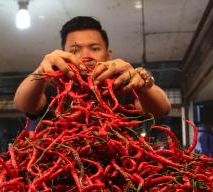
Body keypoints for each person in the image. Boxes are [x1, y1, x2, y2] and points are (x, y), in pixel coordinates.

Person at [14, 16, 170, 123]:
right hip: (63, 167)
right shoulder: (56, 85)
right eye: (75, 50)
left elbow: (161, 109)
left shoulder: (121, 85)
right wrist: (42, 70)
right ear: (63, 54)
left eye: (95, 48)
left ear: (108, 55)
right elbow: (23, 104)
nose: (86, 56)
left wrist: (142, 83)